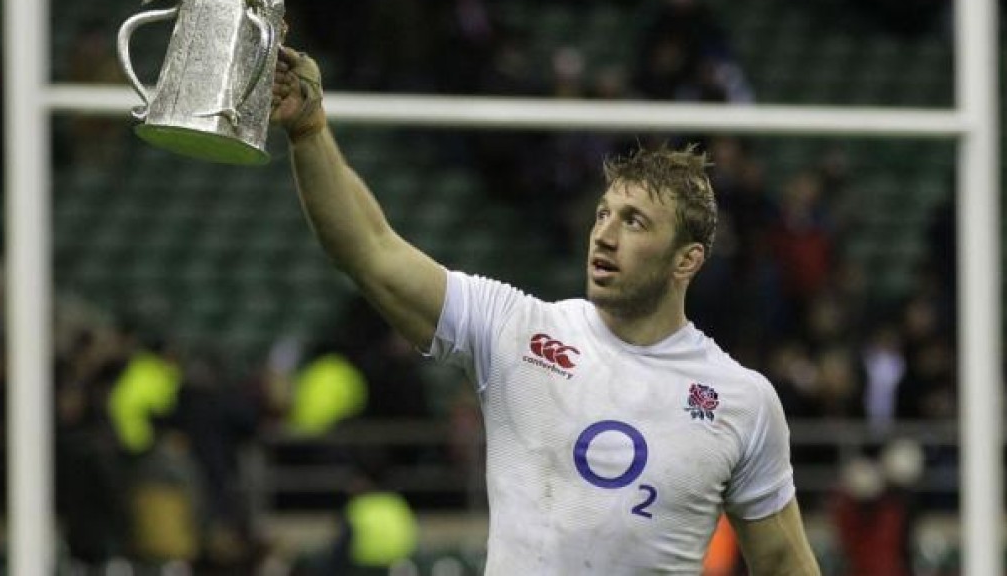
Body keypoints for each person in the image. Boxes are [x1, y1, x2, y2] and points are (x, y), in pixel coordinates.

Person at [269, 45, 821, 574]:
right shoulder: (517, 329)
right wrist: (309, 129)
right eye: (603, 214)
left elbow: (783, 563)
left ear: (687, 261)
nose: (604, 235)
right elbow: (371, 252)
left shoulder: (742, 401)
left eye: (634, 222)